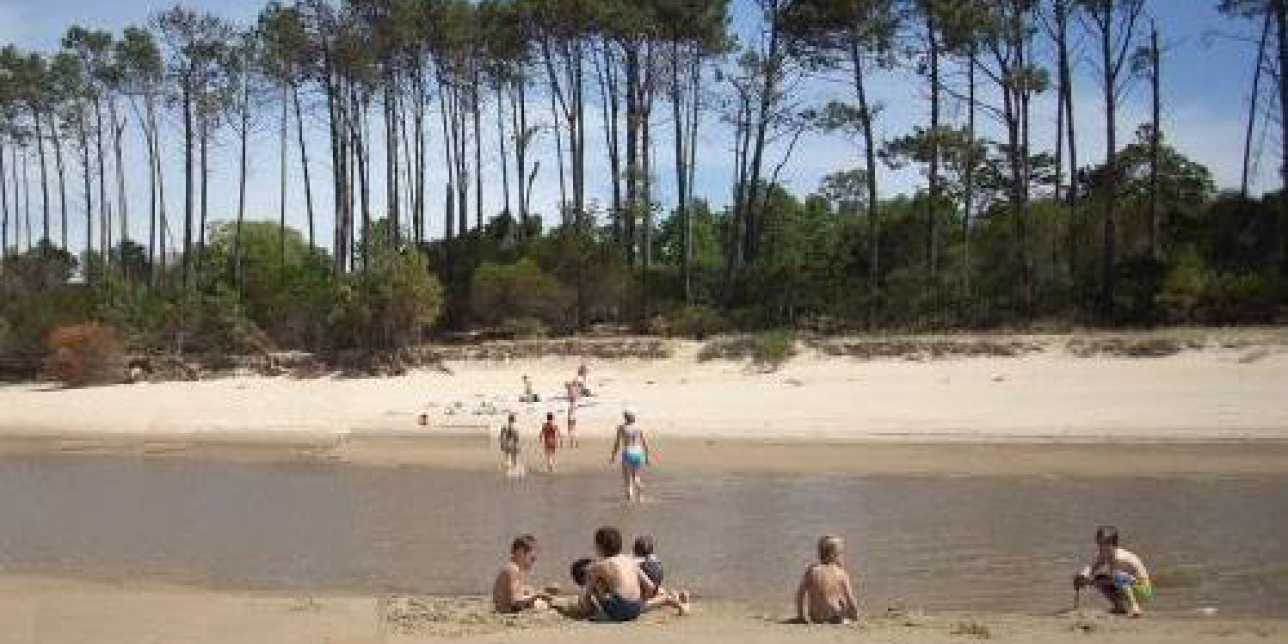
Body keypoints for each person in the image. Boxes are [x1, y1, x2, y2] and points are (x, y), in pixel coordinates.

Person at [1074, 526, 1153, 617]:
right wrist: (1082, 575)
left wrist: (1091, 582)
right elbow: (1092, 567)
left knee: (1116, 575)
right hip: (1128, 585)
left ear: (1112, 545)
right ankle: (1119, 607)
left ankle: (1135, 607)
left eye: (1102, 544)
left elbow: (1118, 578)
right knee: (1099, 578)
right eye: (1098, 543)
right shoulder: (1105, 554)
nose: (1099, 547)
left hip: (1142, 589)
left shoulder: (1120, 558)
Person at [579, 527, 651, 622]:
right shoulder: (630, 560)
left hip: (618, 610)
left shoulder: (600, 565)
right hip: (636, 609)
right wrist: (640, 603)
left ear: (599, 547)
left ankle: (595, 612)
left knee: (596, 578)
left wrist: (584, 606)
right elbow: (650, 586)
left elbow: (584, 595)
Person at [795, 535, 860, 624]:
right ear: (833, 555)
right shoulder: (841, 573)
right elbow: (851, 599)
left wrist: (801, 616)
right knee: (842, 599)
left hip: (816, 617)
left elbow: (800, 595)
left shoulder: (812, 570)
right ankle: (843, 618)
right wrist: (855, 616)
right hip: (836, 617)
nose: (842, 556)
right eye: (841, 553)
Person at [493, 534, 554, 613]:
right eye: (532, 559)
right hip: (507, 610)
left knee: (542, 602)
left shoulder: (515, 569)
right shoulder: (512, 570)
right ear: (520, 552)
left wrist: (536, 592)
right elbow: (514, 601)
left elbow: (518, 590)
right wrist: (535, 596)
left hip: (506, 608)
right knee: (543, 605)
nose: (533, 563)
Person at [634, 535, 691, 616]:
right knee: (661, 592)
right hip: (655, 588)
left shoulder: (640, 564)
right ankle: (676, 596)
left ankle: (676, 602)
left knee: (642, 607)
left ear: (636, 551)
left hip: (647, 594)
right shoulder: (657, 561)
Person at [609, 408, 651, 502]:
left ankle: (630, 501)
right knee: (636, 476)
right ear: (633, 417)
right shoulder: (639, 428)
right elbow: (645, 443)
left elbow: (617, 443)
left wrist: (613, 456)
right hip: (638, 452)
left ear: (625, 417)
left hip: (628, 452)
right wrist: (647, 457)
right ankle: (641, 496)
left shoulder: (621, 428)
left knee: (628, 480)